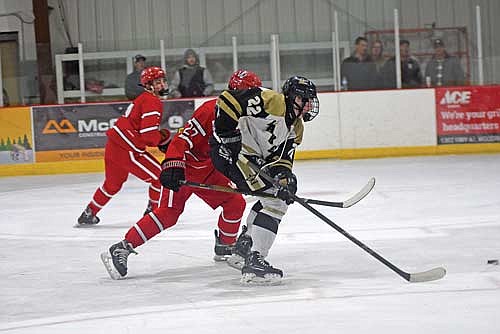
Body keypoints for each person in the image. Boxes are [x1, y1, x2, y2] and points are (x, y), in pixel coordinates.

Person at [100, 69, 263, 280]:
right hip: (184, 166)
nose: (256, 99)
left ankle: (225, 245)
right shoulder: (210, 110)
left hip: (207, 169)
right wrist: (173, 164)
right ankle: (121, 248)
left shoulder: (250, 116)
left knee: (235, 203)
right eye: (251, 94)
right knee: (168, 213)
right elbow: (182, 139)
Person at [210, 76, 320, 285]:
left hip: (250, 158)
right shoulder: (272, 101)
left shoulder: (296, 128)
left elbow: (281, 161)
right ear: (291, 97)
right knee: (275, 202)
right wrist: (227, 135)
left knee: (274, 195)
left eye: (310, 100)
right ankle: (255, 257)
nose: (308, 105)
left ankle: (245, 246)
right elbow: (227, 100)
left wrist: (286, 178)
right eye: (303, 99)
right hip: (231, 153)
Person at [77, 66, 170, 227]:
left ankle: (89, 213)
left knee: (112, 184)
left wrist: (160, 138)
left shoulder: (143, 98)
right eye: (158, 82)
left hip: (115, 145)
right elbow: (148, 135)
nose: (162, 85)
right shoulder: (152, 101)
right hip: (129, 149)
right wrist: (162, 139)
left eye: (163, 81)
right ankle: (152, 213)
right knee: (161, 177)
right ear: (148, 85)